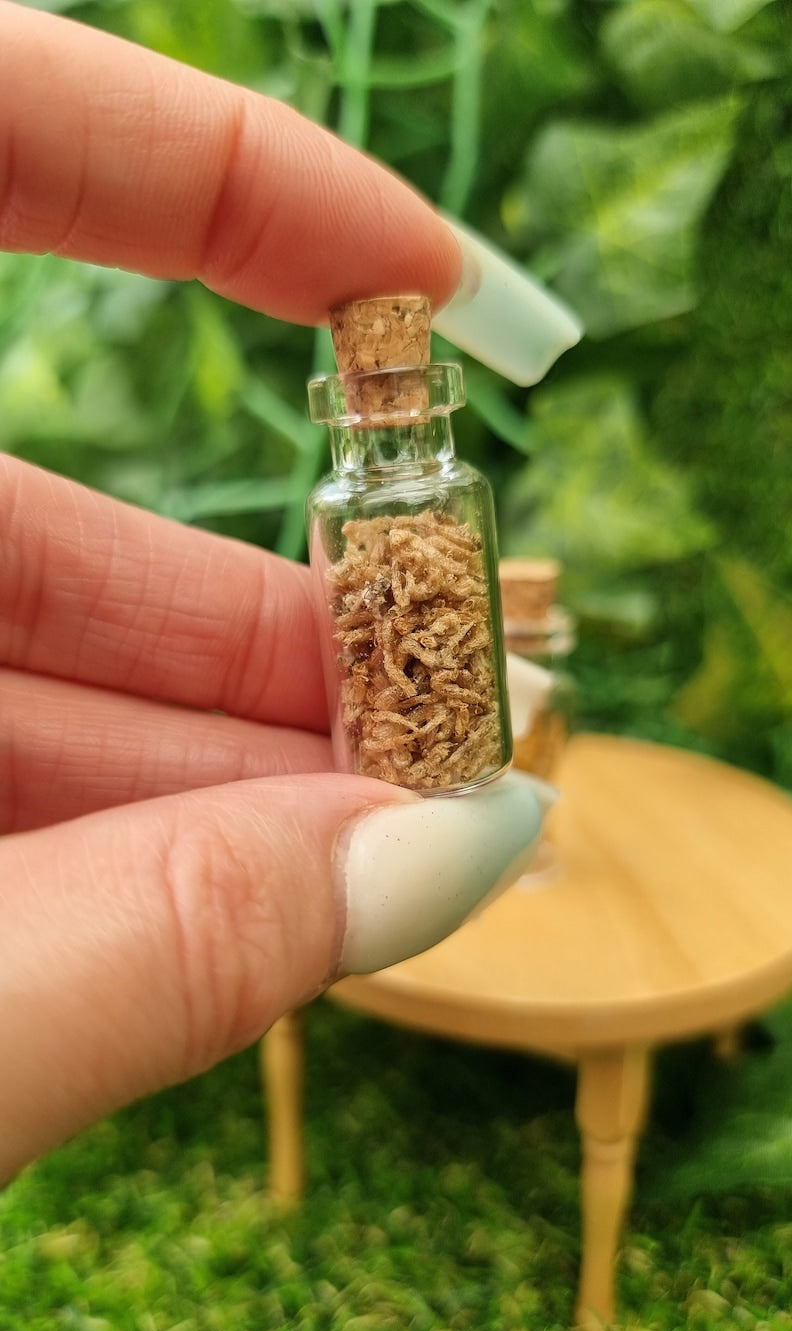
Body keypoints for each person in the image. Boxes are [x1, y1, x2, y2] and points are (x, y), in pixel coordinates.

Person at [0, 0, 547, 1184]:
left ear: (415, 396)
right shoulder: (345, 513)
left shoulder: (439, 493)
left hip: (450, 755)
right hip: (384, 777)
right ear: (361, 403)